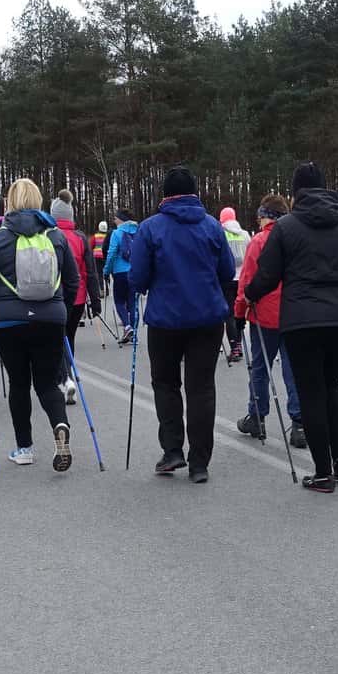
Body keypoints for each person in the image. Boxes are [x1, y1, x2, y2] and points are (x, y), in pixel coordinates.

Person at [247, 162, 338, 493]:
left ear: (296, 192)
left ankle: (322, 472)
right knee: (331, 385)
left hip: (302, 321)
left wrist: (250, 294)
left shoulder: (285, 227)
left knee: (312, 391)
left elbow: (267, 274)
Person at [128, 166, 234, 483]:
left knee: (165, 383)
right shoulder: (212, 226)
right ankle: (200, 462)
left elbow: (138, 278)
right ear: (194, 193)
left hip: (165, 320)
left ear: (165, 195)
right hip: (207, 318)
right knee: (201, 388)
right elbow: (227, 271)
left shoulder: (150, 228)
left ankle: (173, 450)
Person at [0, 179, 80, 470]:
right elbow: (72, 280)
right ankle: (60, 425)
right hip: (50, 319)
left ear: (11, 202)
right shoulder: (56, 236)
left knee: (19, 384)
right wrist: (62, 311)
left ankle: (25, 448)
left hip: (10, 322)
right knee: (47, 383)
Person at [233, 194, 306, 448]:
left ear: (266, 216)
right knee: (293, 368)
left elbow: (247, 280)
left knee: (260, 368)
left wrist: (239, 312)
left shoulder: (259, 241)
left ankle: (257, 416)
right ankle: (299, 423)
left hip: (264, 315)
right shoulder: (297, 237)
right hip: (294, 313)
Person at [50, 189, 101, 404]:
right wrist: (95, 300)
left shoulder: (48, 236)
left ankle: (64, 379)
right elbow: (90, 271)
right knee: (68, 338)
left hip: (54, 298)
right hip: (77, 298)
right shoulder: (80, 237)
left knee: (54, 340)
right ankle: (67, 375)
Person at [219, 206, 251, 364]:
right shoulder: (244, 234)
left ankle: (234, 347)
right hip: (242, 278)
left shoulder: (221, 232)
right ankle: (239, 342)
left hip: (227, 278)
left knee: (229, 315)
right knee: (239, 312)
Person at [103, 208, 139, 343]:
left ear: (121, 219)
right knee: (132, 303)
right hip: (134, 272)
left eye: (116, 218)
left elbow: (111, 254)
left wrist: (106, 271)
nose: (114, 220)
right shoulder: (138, 232)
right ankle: (133, 335)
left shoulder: (116, 233)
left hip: (120, 272)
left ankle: (127, 326)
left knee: (119, 301)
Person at [92, 220, 109, 296]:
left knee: (99, 274)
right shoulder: (108, 236)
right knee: (106, 272)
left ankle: (101, 290)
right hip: (106, 257)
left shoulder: (95, 236)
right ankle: (107, 289)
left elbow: (91, 246)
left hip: (97, 257)